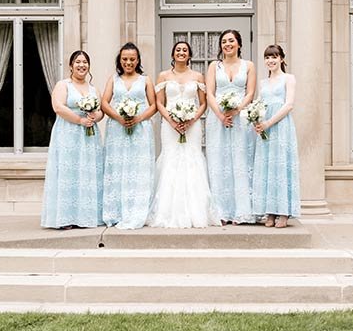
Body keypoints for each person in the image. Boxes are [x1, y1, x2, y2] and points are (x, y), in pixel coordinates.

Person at [148, 41, 219, 228]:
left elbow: (203, 103)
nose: (181, 52)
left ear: (189, 55)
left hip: (192, 125)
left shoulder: (197, 76)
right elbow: (159, 103)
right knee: (170, 159)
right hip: (169, 126)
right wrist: (171, 121)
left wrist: (192, 119)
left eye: (185, 50)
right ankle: (167, 211)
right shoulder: (163, 75)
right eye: (178, 50)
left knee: (192, 159)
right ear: (173, 54)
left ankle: (196, 210)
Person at [41, 50, 104, 229]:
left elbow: (101, 111)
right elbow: (58, 107)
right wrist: (79, 120)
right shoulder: (63, 85)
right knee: (69, 173)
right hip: (68, 133)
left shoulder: (93, 89)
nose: (81, 65)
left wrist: (95, 117)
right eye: (77, 62)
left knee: (87, 173)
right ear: (71, 66)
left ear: (89, 66)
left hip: (89, 136)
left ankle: (86, 216)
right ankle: (65, 218)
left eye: (85, 62)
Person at [102, 42, 156, 229]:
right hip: (117, 130)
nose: (128, 62)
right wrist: (119, 117)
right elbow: (104, 102)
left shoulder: (146, 80)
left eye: (132, 59)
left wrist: (139, 118)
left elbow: (154, 105)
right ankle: (116, 211)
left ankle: (138, 209)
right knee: (118, 168)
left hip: (140, 129)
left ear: (138, 60)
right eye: (125, 59)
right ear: (120, 60)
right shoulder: (113, 79)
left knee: (138, 169)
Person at [206, 29, 256, 225]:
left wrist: (236, 111)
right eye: (224, 41)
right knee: (219, 162)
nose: (227, 44)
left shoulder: (249, 66)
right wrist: (220, 115)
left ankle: (241, 211)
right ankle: (221, 211)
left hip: (241, 118)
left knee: (240, 161)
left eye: (231, 41)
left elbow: (250, 93)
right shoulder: (214, 66)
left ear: (239, 44)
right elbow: (210, 93)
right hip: (217, 118)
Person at [252, 44, 301, 227]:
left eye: (274, 57)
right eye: (267, 57)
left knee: (281, 167)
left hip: (281, 127)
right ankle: (270, 211)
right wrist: (255, 120)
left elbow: (289, 105)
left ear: (281, 58)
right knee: (267, 168)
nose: (270, 60)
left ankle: (284, 212)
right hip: (265, 129)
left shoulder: (289, 78)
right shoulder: (263, 83)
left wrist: (268, 123)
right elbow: (259, 104)